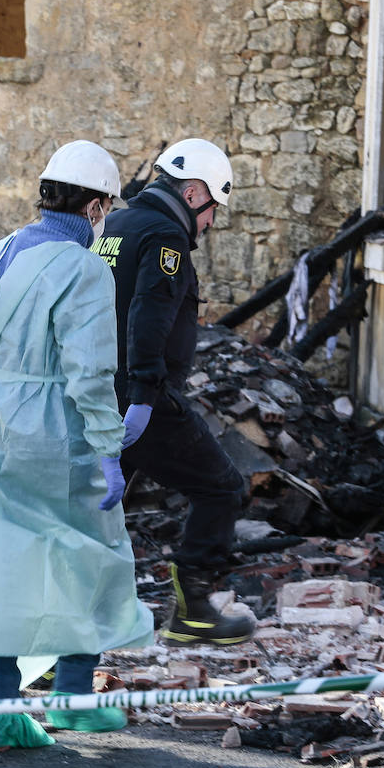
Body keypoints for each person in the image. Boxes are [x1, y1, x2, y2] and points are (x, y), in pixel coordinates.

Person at [0, 140, 153, 751]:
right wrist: (109, 446)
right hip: (56, 430)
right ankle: (74, 698)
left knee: (1, 566)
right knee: (88, 555)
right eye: (107, 208)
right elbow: (88, 372)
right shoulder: (82, 267)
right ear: (96, 205)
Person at [93, 138, 255, 647]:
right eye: (212, 210)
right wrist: (143, 394)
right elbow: (149, 314)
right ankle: (196, 609)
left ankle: (79, 620)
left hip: (96, 393)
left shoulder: (115, 226)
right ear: (192, 193)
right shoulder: (166, 237)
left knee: (98, 509)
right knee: (222, 486)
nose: (209, 224)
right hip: (141, 399)